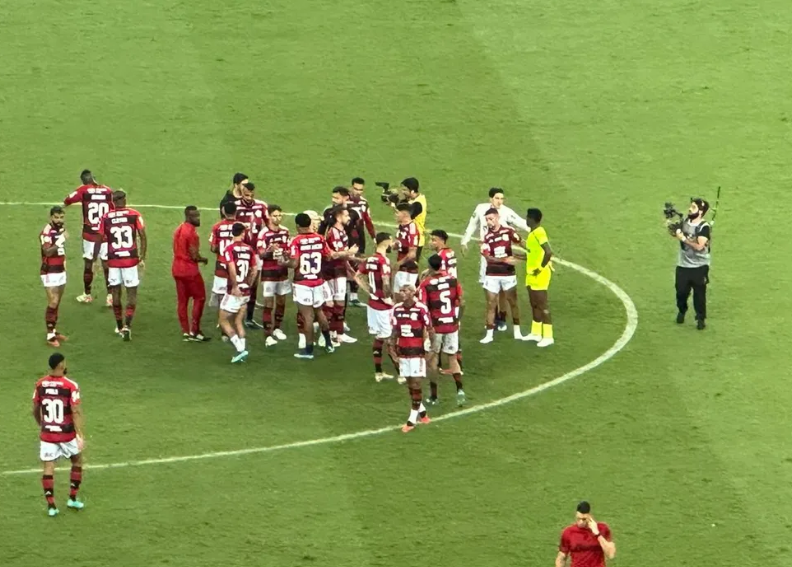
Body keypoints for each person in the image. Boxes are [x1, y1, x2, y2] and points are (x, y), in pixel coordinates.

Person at [283, 213, 357, 359]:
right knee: (320, 312)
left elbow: (294, 263)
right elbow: (329, 256)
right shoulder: (320, 238)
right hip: (318, 281)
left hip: (303, 283)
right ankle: (328, 343)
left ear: (297, 226)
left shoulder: (296, 241)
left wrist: (283, 261)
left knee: (307, 317)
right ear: (310, 223)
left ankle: (309, 350)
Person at [461, 187, 529, 331]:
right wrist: (464, 241)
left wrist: (535, 230)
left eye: (502, 198)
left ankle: (502, 316)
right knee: (489, 288)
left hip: (503, 255)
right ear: (490, 198)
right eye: (497, 198)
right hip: (487, 256)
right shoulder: (481, 209)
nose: (500, 201)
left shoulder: (506, 212)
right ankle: (494, 316)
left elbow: (521, 222)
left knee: (503, 289)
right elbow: (472, 224)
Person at [33, 353, 85, 517]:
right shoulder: (70, 385)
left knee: (48, 467)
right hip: (67, 433)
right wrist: (80, 434)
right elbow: (75, 411)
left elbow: (34, 408)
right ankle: (72, 497)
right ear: (61, 365)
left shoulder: (40, 384)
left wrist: (42, 424)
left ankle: (51, 507)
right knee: (77, 459)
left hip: (48, 433)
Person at [94, 190, 147, 342]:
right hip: (130, 260)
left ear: (112, 201)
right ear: (124, 200)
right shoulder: (134, 214)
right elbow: (143, 236)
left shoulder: (106, 217)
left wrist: (97, 260)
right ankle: (127, 327)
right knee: (131, 294)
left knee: (115, 294)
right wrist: (142, 256)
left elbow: (99, 239)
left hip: (114, 260)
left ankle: (118, 326)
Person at [418, 254, 466, 406]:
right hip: (451, 324)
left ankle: (434, 396)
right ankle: (460, 390)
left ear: (430, 266)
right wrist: (458, 319)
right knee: (452, 357)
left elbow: (423, 306)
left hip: (436, 327)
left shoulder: (426, 284)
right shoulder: (453, 280)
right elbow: (462, 302)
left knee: (432, 360)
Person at [64, 169, 114, 306]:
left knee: (89, 263)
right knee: (106, 263)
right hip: (105, 233)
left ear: (83, 181)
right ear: (93, 178)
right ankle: (110, 296)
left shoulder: (83, 190)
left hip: (90, 234)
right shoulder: (107, 190)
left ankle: (87, 294)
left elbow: (68, 199)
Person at [355, 232, 401, 382]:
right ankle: (401, 374)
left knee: (378, 337)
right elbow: (386, 282)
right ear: (386, 242)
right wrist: (387, 298)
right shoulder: (383, 261)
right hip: (383, 307)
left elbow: (357, 276)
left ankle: (378, 372)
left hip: (372, 304)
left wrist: (371, 292)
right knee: (390, 340)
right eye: (391, 240)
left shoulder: (370, 259)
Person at [390, 285, 435, 433]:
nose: (402, 293)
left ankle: (411, 420)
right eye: (401, 291)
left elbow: (430, 329)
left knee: (416, 384)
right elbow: (395, 331)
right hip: (403, 352)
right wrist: (391, 348)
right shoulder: (396, 309)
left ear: (413, 293)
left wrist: (432, 349)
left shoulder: (421, 308)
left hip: (417, 353)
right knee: (410, 384)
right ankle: (423, 413)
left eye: (406, 291)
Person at [479, 208, 524, 343]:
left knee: (513, 302)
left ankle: (518, 332)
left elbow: (521, 242)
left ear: (498, 217)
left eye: (491, 218)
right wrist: (505, 260)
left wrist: (532, 253)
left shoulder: (508, 231)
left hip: (508, 274)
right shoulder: (486, 238)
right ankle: (489, 334)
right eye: (487, 219)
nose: (489, 222)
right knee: (491, 304)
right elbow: (488, 258)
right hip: (492, 274)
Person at [219, 223, 259, 363]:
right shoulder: (249, 249)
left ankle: (240, 349)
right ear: (242, 233)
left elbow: (231, 267)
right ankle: (243, 351)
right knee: (238, 321)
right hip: (246, 290)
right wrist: (249, 283)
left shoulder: (229, 249)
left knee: (223, 320)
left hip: (234, 292)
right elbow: (254, 269)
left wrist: (235, 286)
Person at [672, 198, 712, 330]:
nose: (690, 209)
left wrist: (683, 238)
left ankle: (700, 319)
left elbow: (699, 246)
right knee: (681, 292)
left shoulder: (704, 227)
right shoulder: (685, 222)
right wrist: (672, 227)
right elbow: (675, 233)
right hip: (683, 265)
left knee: (699, 295)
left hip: (699, 267)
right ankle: (682, 310)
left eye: (694, 207)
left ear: (700, 212)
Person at [233, 182, 268, 330]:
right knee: (237, 282)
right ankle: (233, 314)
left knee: (253, 285)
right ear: (242, 192)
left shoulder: (261, 206)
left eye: (251, 194)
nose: (249, 197)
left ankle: (249, 318)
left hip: (255, 252)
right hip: (239, 252)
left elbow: (268, 225)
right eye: (246, 194)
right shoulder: (235, 206)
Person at [255, 204, 291, 346]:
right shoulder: (263, 233)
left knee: (281, 301)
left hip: (282, 271)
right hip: (269, 273)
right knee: (269, 303)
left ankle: (277, 328)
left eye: (279, 215)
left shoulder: (285, 231)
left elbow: (289, 249)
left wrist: (286, 253)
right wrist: (270, 250)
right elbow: (261, 254)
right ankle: (268, 334)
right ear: (269, 216)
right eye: (275, 215)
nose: (278, 218)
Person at [172, 206, 210, 342]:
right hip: (189, 270)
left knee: (182, 300)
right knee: (199, 298)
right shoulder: (192, 233)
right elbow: (194, 255)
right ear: (188, 216)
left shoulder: (179, 229)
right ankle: (195, 330)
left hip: (177, 268)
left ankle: (185, 331)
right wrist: (203, 259)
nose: (198, 219)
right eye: (195, 216)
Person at [323, 205, 358, 344]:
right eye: (346, 215)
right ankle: (336, 333)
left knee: (338, 303)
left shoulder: (341, 231)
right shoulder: (334, 232)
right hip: (334, 270)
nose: (348, 218)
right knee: (337, 303)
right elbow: (335, 254)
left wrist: (349, 265)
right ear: (338, 217)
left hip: (339, 269)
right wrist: (349, 253)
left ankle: (335, 333)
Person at [523, 208, 554, 347]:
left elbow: (548, 252)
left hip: (539, 274)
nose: (526, 219)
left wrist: (540, 268)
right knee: (534, 303)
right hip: (531, 273)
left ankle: (548, 336)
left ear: (533, 219)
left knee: (542, 304)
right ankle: (536, 333)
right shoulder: (532, 233)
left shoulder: (539, 232)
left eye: (527, 217)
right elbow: (532, 254)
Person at [40, 206, 69, 347]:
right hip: (49, 270)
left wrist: (65, 262)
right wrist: (60, 240)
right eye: (56, 217)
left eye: (61, 217)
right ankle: (50, 336)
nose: (59, 220)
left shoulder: (61, 230)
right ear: (51, 217)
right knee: (53, 301)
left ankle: (53, 330)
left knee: (57, 302)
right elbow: (47, 252)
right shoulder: (47, 231)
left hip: (60, 270)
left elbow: (61, 250)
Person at [556, 501, 616, 567]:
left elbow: (611, 554)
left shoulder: (602, 528)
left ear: (590, 516)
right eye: (578, 518)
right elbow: (561, 557)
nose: (581, 522)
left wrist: (597, 533)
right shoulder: (569, 532)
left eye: (584, 519)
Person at [347, 177, 376, 306]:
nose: (358, 192)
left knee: (357, 263)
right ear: (351, 187)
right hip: (345, 236)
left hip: (359, 236)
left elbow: (368, 221)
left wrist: (374, 237)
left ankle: (353, 295)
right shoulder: (344, 200)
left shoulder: (364, 203)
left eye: (360, 190)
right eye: (356, 189)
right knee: (344, 262)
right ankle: (342, 291)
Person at [209, 202, 239, 310]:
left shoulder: (217, 227)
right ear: (236, 211)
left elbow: (213, 248)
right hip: (237, 266)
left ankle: (221, 319)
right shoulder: (241, 227)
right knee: (235, 292)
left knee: (221, 294)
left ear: (223, 211)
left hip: (221, 265)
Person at [393, 203, 420, 297]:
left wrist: (399, 263)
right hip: (401, 267)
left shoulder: (411, 228)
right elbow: (397, 245)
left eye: (397, 213)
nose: (395, 215)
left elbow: (412, 254)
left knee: (406, 297)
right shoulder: (401, 226)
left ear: (404, 214)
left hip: (408, 269)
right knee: (397, 295)